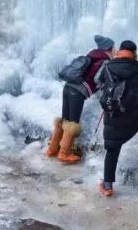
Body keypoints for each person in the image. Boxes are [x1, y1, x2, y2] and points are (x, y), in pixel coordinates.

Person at [96, 40, 138, 197]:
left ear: (120, 50)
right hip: (132, 113)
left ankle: (107, 186)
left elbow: (100, 83)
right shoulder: (137, 68)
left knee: (112, 148)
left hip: (112, 111)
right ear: (134, 53)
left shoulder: (108, 67)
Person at [48, 35, 114, 164]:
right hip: (77, 91)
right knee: (73, 123)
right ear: (109, 48)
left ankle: (52, 149)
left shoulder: (91, 55)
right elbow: (97, 79)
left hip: (67, 87)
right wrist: (106, 84)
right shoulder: (105, 60)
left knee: (64, 120)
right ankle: (64, 153)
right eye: (113, 47)